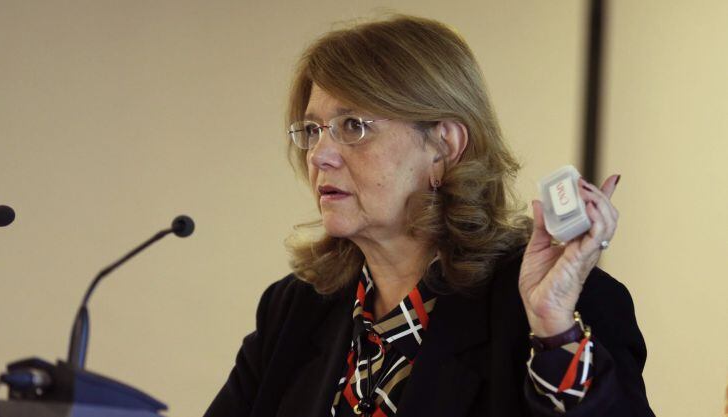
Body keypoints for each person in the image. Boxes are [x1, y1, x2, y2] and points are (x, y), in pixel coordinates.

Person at [205, 15, 654, 417]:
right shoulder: (293, 309)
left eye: (353, 126)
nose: (320, 155)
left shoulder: (559, 308)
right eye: (312, 130)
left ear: (444, 145)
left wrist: (555, 332)